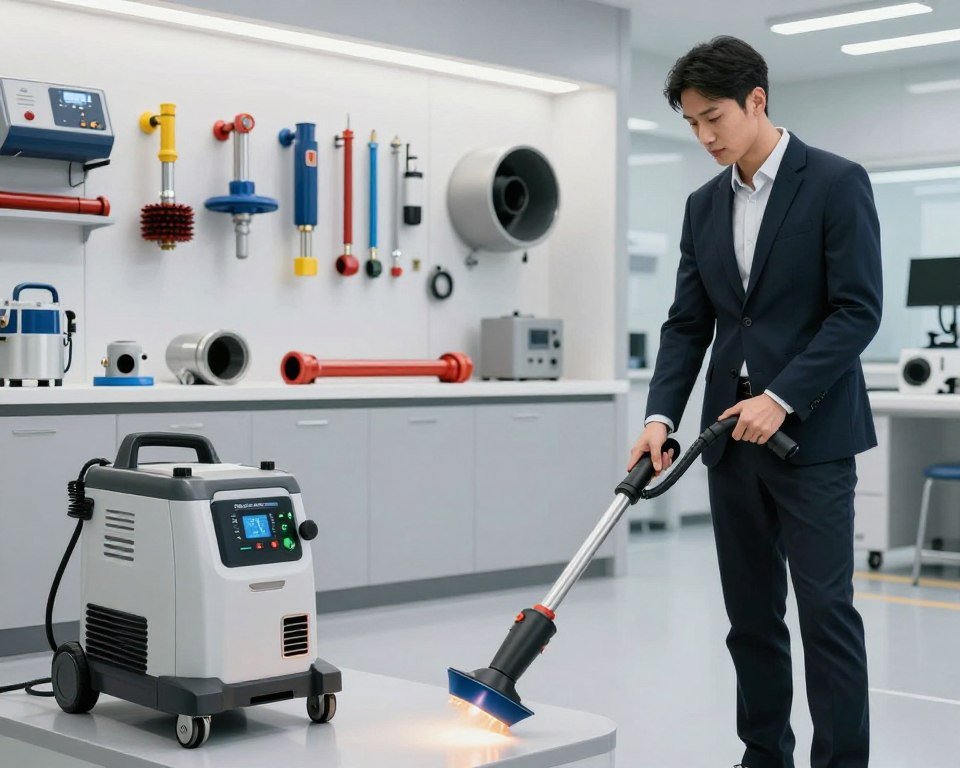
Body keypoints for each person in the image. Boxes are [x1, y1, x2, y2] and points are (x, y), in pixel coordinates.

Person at [628, 36, 882, 768]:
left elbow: (857, 311)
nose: (704, 137)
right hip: (728, 441)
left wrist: (782, 395)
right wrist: (658, 418)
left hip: (813, 440)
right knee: (750, 620)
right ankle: (763, 757)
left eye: (714, 118)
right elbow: (688, 324)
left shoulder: (835, 181)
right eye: (692, 124)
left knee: (826, 616)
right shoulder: (702, 206)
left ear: (757, 100)